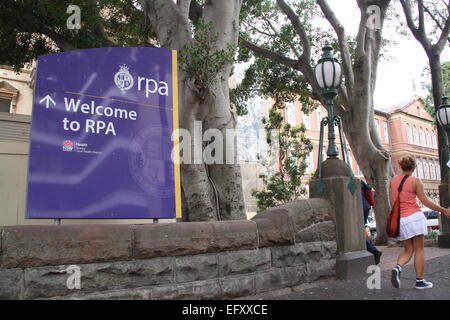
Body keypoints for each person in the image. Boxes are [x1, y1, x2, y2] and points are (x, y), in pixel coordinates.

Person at [390, 156, 450, 290]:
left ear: (400, 166)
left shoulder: (393, 181)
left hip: (401, 220)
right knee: (419, 249)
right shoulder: (415, 181)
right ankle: (420, 281)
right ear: (414, 167)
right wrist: (444, 210)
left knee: (408, 250)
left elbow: (392, 202)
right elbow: (426, 202)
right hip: (414, 218)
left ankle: (398, 267)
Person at [360, 180, 382, 264]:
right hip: (365, 206)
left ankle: (374, 251)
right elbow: (372, 190)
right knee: (360, 229)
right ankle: (372, 251)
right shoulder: (360, 181)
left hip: (358, 207)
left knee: (358, 231)